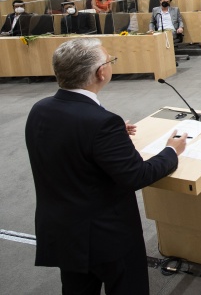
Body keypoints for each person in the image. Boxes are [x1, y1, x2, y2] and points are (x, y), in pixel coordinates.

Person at [25, 38, 187, 295]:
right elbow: (136, 175)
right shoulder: (101, 122)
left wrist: (108, 139)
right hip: (105, 235)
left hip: (62, 229)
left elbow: (64, 146)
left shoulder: (40, 109)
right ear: (101, 72)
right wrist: (171, 151)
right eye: (110, 61)